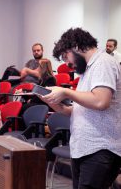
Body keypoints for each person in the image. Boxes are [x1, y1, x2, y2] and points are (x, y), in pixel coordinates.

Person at [41, 28, 121, 189]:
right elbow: (77, 110)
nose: (66, 64)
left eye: (66, 57)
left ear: (76, 46)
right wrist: (51, 101)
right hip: (83, 147)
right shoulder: (88, 69)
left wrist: (65, 91)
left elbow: (100, 101)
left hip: (100, 148)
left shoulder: (103, 63)